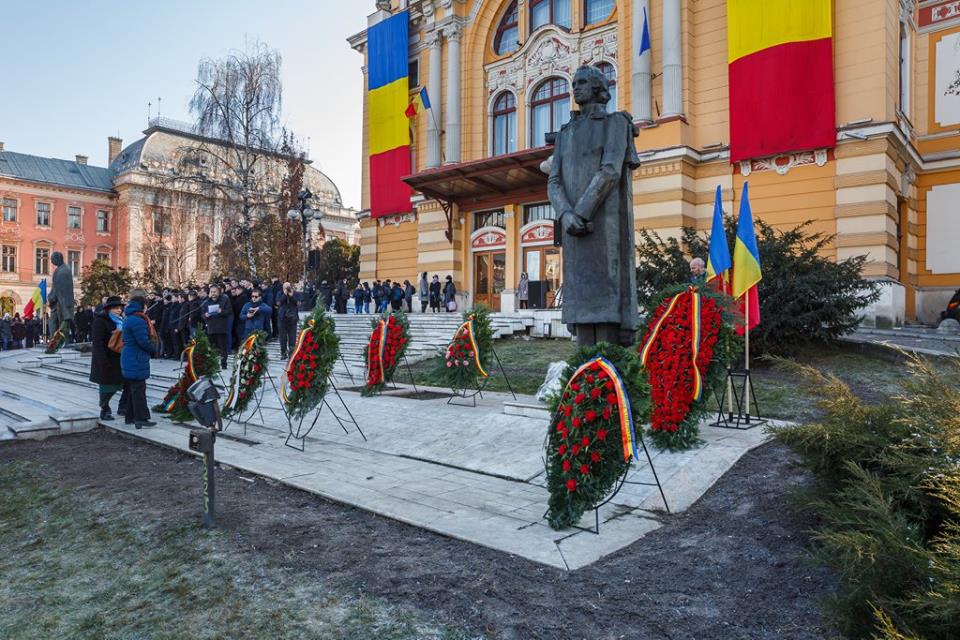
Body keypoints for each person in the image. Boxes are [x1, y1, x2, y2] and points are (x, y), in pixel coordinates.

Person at [547, 65, 640, 347]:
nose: (575, 87)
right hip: (574, 230)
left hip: (602, 227)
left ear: (599, 88)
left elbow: (610, 171)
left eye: (583, 82)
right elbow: (554, 180)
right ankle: (584, 379)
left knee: (606, 311)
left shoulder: (615, 124)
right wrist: (565, 215)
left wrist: (581, 213)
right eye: (574, 83)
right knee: (582, 315)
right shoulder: (565, 134)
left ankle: (607, 379)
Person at [121, 290, 158, 429]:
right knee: (139, 389)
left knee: (133, 389)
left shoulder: (129, 317)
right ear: (142, 306)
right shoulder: (138, 320)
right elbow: (142, 341)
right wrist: (154, 349)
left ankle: (129, 417)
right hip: (136, 358)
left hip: (130, 357)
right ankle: (141, 418)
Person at [89, 296, 125, 421]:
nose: (118, 310)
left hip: (119, 358)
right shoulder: (101, 321)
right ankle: (105, 409)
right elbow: (97, 343)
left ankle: (122, 407)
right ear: (108, 309)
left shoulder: (121, 321)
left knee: (122, 384)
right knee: (106, 387)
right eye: (115, 308)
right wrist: (103, 361)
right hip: (106, 358)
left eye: (120, 308)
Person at [202, 284, 233, 369]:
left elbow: (229, 311)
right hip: (211, 328)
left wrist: (221, 311)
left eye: (215, 292)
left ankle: (223, 364)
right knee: (211, 348)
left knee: (223, 348)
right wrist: (205, 315)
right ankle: (212, 364)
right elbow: (202, 314)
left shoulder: (225, 299)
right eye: (211, 292)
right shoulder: (206, 301)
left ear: (219, 292)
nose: (213, 294)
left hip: (221, 327)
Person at [47, 251, 76, 342]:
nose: (51, 261)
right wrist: (51, 296)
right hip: (57, 302)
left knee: (61, 323)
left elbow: (60, 288)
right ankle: (54, 341)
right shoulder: (60, 269)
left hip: (61, 303)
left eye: (52, 259)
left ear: (58, 258)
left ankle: (63, 341)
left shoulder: (64, 270)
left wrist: (52, 297)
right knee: (53, 322)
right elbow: (55, 286)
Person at [277, 282, 300, 360]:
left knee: (292, 337)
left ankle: (291, 353)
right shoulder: (279, 293)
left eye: (288, 287)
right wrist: (284, 294)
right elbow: (278, 303)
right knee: (282, 337)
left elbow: (298, 303)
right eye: (285, 287)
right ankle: (283, 353)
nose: (287, 289)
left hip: (293, 319)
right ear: (282, 288)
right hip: (282, 319)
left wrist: (292, 296)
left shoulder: (295, 293)